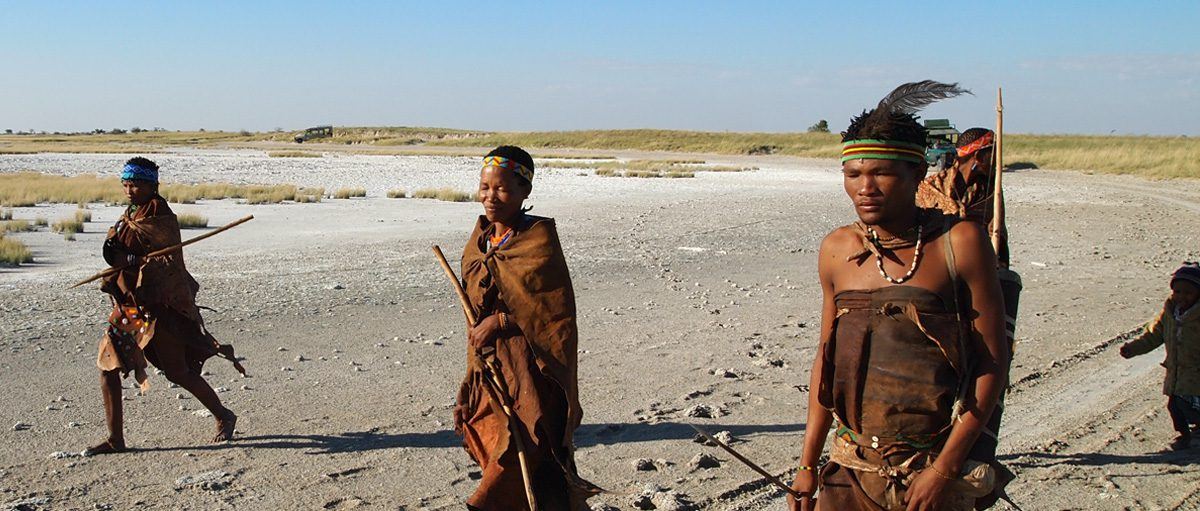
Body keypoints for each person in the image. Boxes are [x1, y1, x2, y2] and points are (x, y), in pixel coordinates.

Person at [787, 81, 1011, 511]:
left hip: (930, 471)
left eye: (881, 173)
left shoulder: (960, 242)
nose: (864, 187)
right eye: (853, 175)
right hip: (850, 468)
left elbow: (992, 364)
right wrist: (808, 466)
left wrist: (944, 470)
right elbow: (825, 360)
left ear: (917, 175)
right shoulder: (837, 248)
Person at [454, 146, 599, 510]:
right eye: (485, 187)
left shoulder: (538, 239)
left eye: (502, 189)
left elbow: (553, 310)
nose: (490, 196)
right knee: (494, 437)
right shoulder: (480, 240)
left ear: (524, 192)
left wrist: (500, 321)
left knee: (533, 443)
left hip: (531, 366)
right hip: (491, 364)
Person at [85, 157, 245, 456]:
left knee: (177, 371)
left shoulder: (160, 214)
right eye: (126, 185)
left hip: (159, 307)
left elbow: (166, 260)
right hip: (130, 306)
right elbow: (123, 250)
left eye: (136, 185)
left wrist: (136, 261)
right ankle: (115, 439)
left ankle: (223, 415)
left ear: (152, 186)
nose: (130, 190)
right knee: (108, 365)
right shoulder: (130, 213)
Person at [1120, 262, 1200, 451]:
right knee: (1174, 406)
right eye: (1177, 291)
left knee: (1191, 404)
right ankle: (1183, 435)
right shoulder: (1170, 313)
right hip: (1176, 371)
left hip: (1196, 372)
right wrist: (1132, 349)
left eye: (1188, 293)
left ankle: (1197, 432)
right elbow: (1153, 336)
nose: (1181, 296)